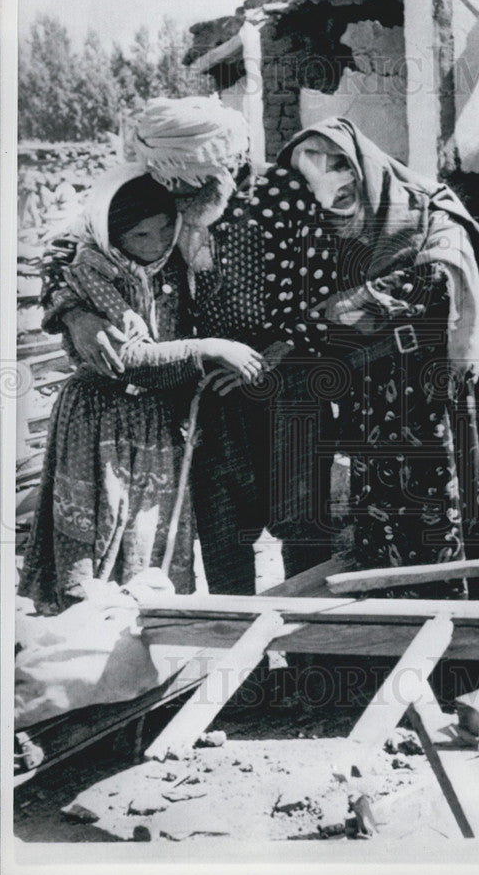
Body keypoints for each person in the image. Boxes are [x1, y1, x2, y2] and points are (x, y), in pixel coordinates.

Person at [40, 98, 336, 595]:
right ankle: (244, 664)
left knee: (303, 530)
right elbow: (67, 252)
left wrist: (275, 354)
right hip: (203, 395)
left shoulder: (279, 194)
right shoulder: (154, 196)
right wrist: (76, 314)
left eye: (190, 181)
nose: (177, 193)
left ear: (225, 164)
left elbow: (324, 291)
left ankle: (314, 661)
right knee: (223, 541)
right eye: (170, 182)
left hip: (288, 388)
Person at [276, 119, 479, 583]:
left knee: (454, 514)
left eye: (339, 167)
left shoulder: (426, 210)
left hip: (445, 381)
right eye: (312, 177)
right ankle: (401, 622)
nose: (332, 188)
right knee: (394, 522)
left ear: (364, 163)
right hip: (378, 395)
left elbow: (434, 284)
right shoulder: (324, 233)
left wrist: (338, 309)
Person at [19, 165, 265, 612]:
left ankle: (145, 652)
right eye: (141, 236)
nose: (157, 244)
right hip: (102, 423)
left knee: (151, 540)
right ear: (113, 236)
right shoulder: (97, 271)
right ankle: (87, 651)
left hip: (157, 422)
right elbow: (132, 360)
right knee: (99, 534)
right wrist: (209, 347)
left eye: (164, 228)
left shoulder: (179, 255)